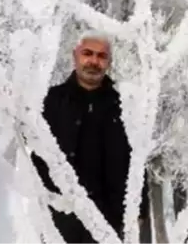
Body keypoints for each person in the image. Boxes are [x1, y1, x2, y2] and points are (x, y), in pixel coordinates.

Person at [30, 30, 150, 244]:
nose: (94, 61)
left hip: (111, 221)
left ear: (109, 62)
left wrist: (139, 211)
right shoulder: (50, 102)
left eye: (102, 56)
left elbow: (139, 161)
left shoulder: (125, 105)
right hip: (61, 219)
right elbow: (37, 158)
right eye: (88, 53)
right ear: (75, 55)